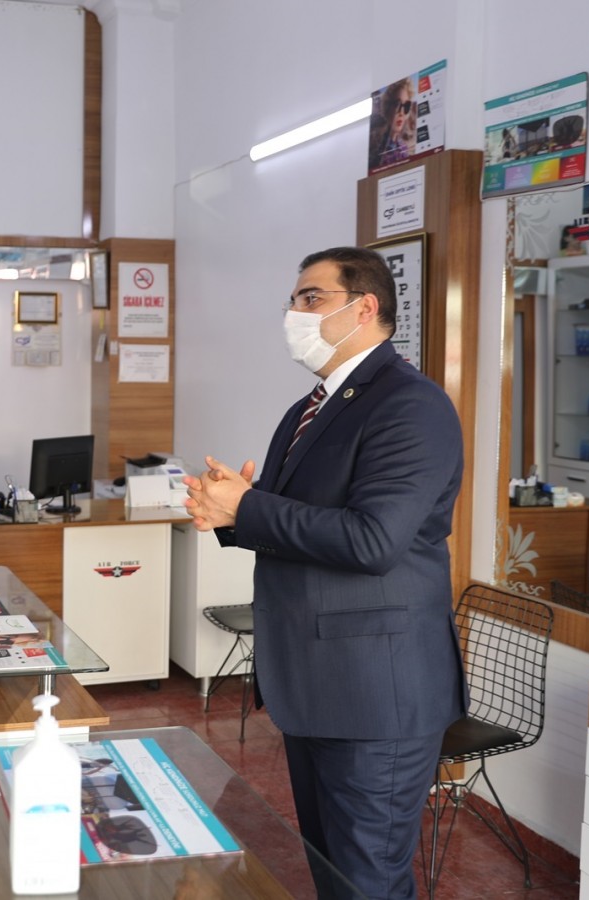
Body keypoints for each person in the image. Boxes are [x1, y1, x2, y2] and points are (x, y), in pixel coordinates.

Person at [183, 246, 467, 899]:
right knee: (333, 871)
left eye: (311, 298)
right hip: (313, 682)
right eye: (293, 300)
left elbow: (373, 540)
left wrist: (249, 507)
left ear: (364, 308)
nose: (295, 313)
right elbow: (299, 521)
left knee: (368, 880)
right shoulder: (309, 408)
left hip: (375, 693)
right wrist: (228, 511)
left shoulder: (411, 406)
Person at [368, 79, 416, 171]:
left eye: (406, 106)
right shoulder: (376, 147)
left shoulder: (403, 147)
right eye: (397, 104)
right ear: (387, 107)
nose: (401, 112)